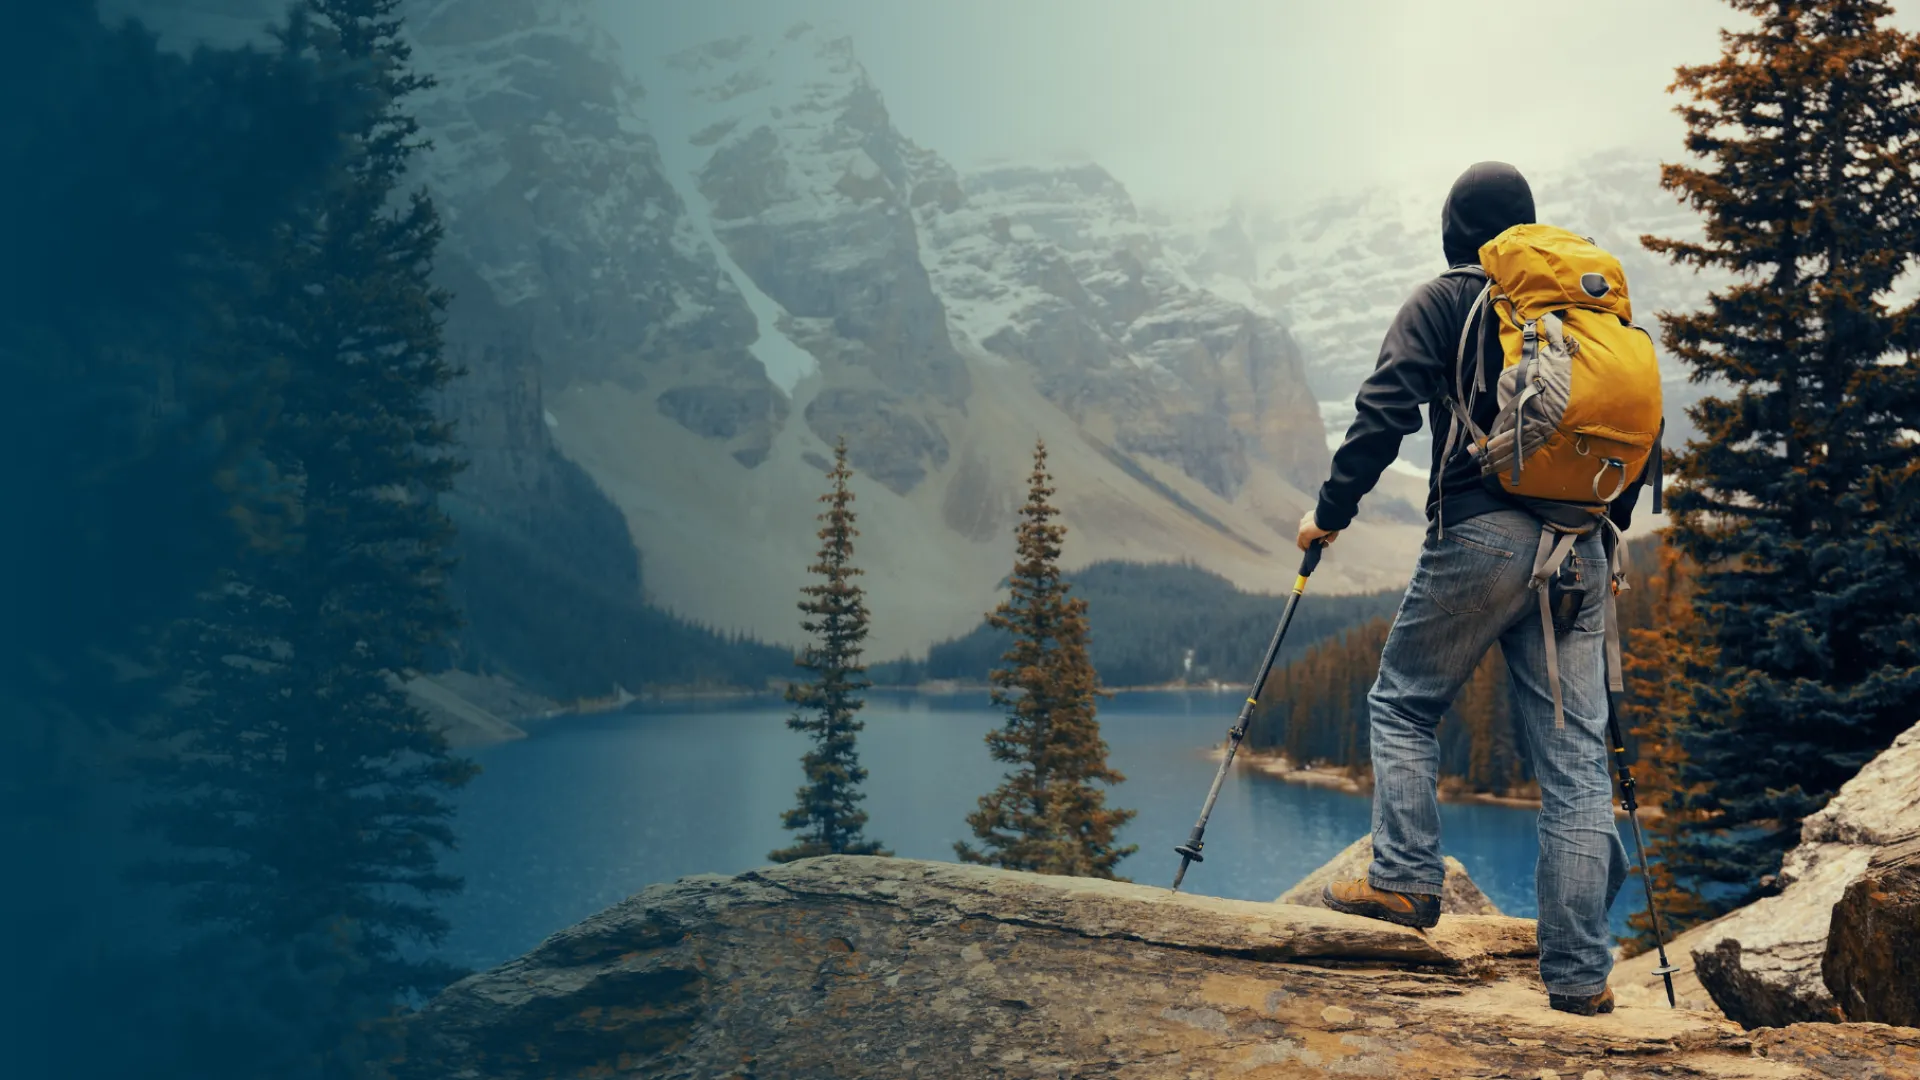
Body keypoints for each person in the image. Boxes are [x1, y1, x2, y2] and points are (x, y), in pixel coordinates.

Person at [1297, 161, 1646, 1017]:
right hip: (1584, 543)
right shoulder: (1581, 310)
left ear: (1455, 230)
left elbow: (1383, 411)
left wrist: (1329, 514)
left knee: (1405, 702)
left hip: (1482, 533)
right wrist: (1599, 523)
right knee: (1571, 766)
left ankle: (1407, 883)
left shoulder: (1447, 299)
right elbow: (1631, 436)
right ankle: (1577, 979)